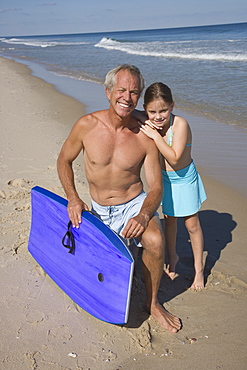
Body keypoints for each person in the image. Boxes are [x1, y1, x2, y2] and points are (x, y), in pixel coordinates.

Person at [57, 65, 181, 332]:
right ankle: (129, 251)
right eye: (121, 90)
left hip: (133, 203)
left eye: (134, 92)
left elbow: (157, 187)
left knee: (155, 240)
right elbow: (64, 160)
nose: (127, 96)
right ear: (108, 91)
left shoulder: (145, 136)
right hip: (99, 209)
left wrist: (144, 214)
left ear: (139, 98)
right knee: (99, 268)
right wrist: (73, 198)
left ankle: (152, 303)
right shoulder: (86, 126)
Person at [135, 82, 207, 290]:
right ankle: (172, 258)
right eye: (152, 112)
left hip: (184, 178)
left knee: (192, 225)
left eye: (163, 110)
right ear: (146, 109)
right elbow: (134, 113)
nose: (158, 117)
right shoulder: (150, 119)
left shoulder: (180, 125)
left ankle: (198, 269)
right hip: (165, 179)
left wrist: (155, 136)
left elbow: (175, 158)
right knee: (170, 221)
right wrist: (143, 118)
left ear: (172, 106)